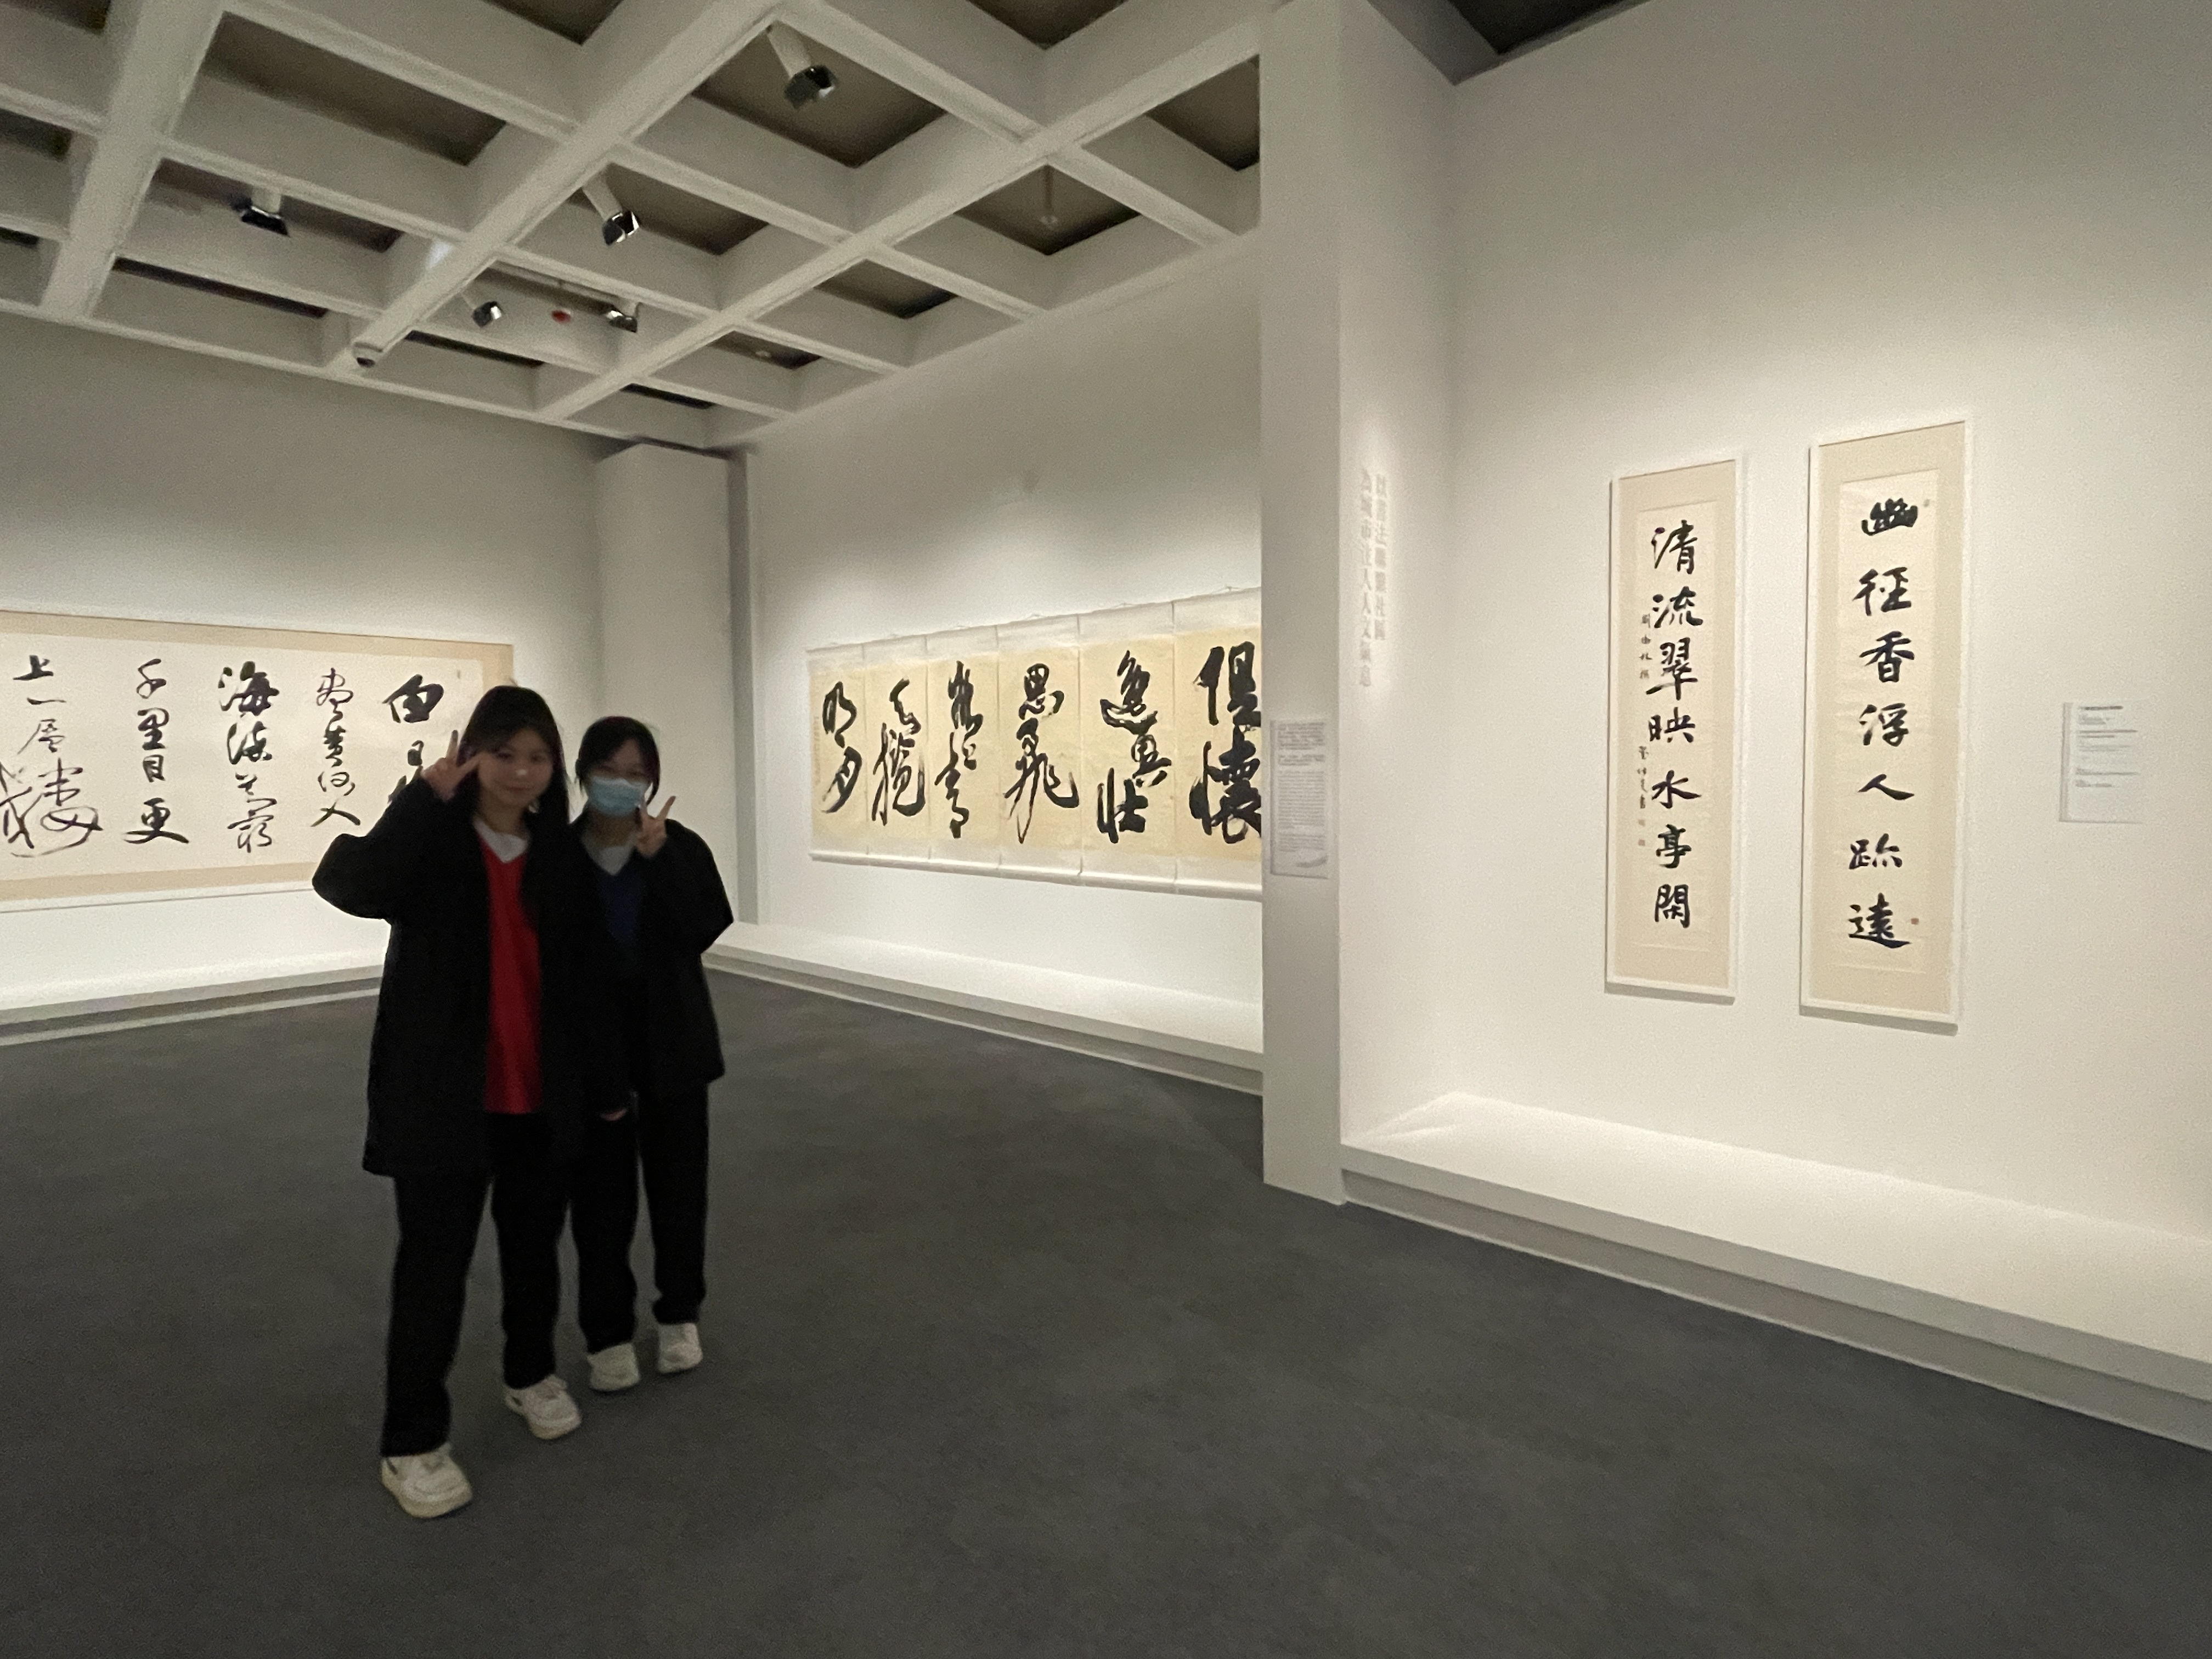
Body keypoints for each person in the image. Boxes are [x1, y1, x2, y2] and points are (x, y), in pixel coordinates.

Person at [314, 686, 617, 1520]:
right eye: (504, 753)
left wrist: (604, 1086)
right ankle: (412, 1440)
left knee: (533, 1249)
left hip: (538, 1094)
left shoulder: (558, 854)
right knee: (433, 1269)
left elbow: (588, 981)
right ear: (472, 754)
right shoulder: (433, 840)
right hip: (446, 1097)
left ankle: (530, 1372)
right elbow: (346, 882)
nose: (520, 772)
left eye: (537, 757)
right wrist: (421, 800)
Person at [567, 716, 734, 1393]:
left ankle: (679, 1313)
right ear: (583, 773)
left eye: (636, 773)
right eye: (609, 770)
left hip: (673, 1043)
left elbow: (704, 926)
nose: (622, 783)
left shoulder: (679, 846)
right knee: (599, 1200)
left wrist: (659, 861)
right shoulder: (559, 853)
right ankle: (607, 1330)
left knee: (679, 1189)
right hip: (591, 1051)